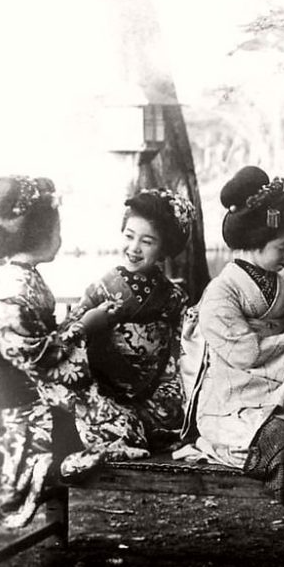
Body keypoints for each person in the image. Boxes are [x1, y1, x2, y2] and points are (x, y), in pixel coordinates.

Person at [179, 166, 284, 515]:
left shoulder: (283, 287)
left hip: (279, 392)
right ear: (255, 242)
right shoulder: (221, 292)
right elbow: (245, 354)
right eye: (283, 247)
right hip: (233, 400)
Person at [0, 176, 148, 527]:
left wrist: (79, 323)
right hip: (20, 412)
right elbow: (37, 359)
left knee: (127, 419)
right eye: (57, 229)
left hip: (36, 391)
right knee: (124, 428)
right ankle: (57, 457)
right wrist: (85, 326)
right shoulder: (8, 291)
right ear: (41, 233)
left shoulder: (19, 276)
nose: (60, 238)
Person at [65, 189, 192, 446]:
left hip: (156, 392)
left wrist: (167, 390)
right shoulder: (100, 288)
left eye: (147, 241)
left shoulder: (174, 297)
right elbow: (70, 338)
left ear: (164, 248)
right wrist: (89, 324)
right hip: (106, 392)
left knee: (175, 414)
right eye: (129, 236)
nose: (134, 248)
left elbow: (180, 353)